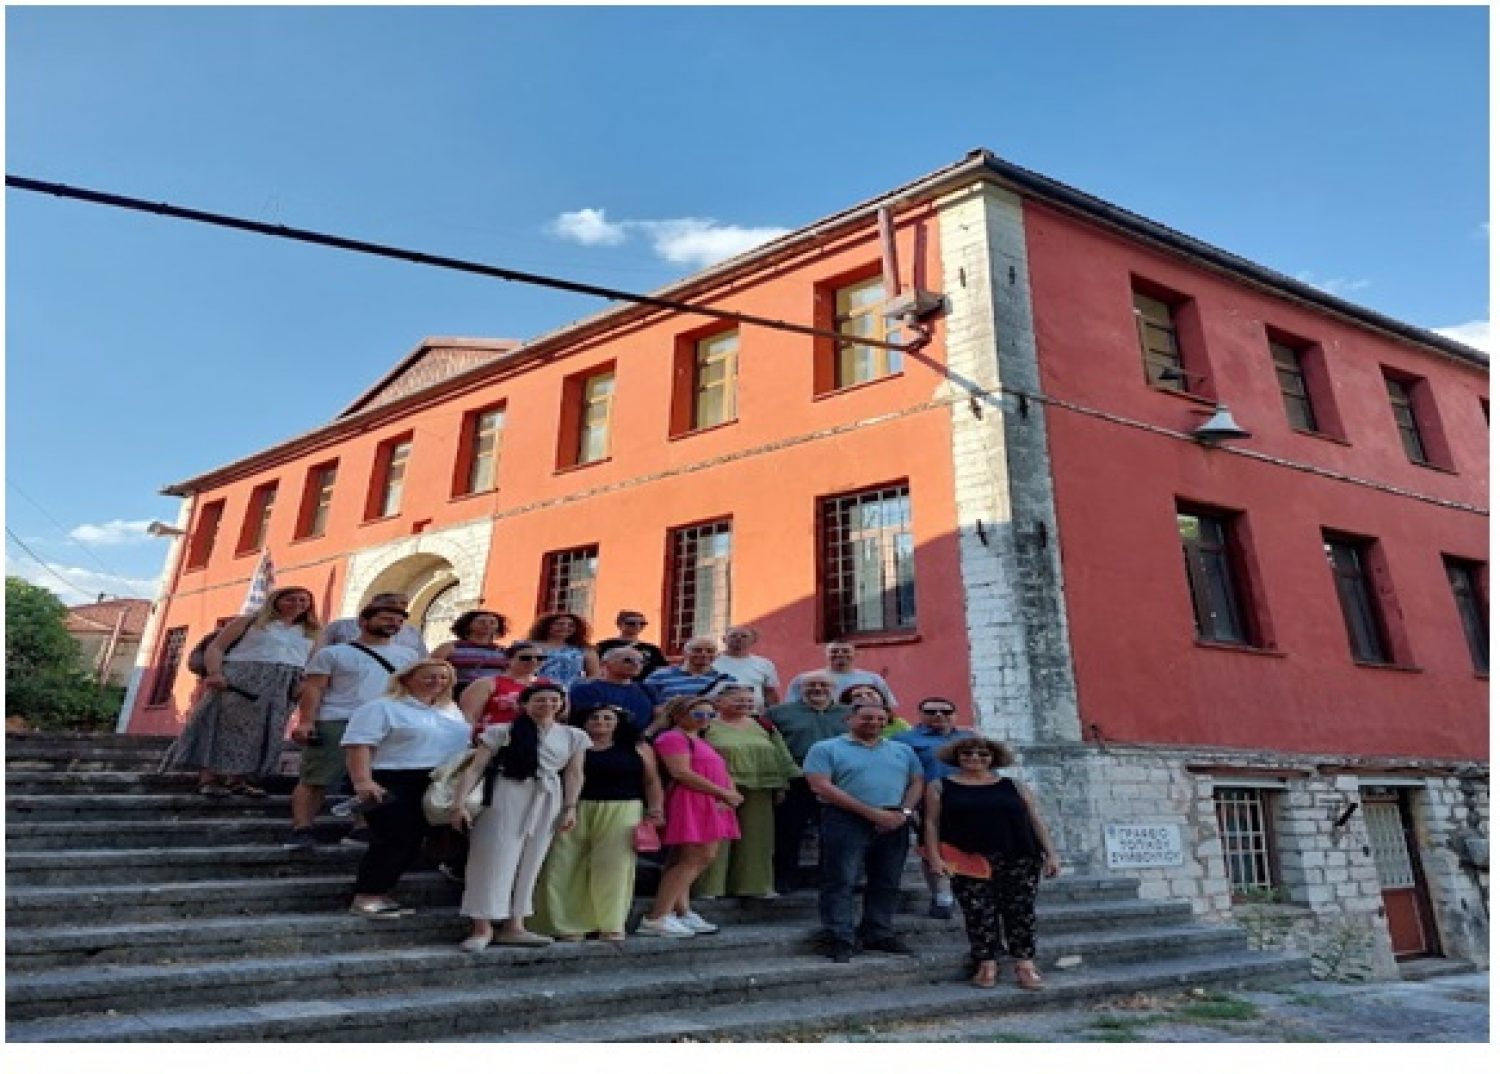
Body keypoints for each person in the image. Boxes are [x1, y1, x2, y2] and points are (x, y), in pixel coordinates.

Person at [450, 683, 589, 950]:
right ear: (524, 704)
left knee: (532, 861)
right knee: (492, 858)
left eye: (554, 700)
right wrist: (459, 804)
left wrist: (570, 807)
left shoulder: (573, 736)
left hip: (548, 795)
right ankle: (482, 926)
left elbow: (574, 773)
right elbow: (475, 768)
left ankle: (516, 924)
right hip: (506, 792)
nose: (547, 705)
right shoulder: (501, 731)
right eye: (540, 700)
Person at [922, 736, 1061, 990]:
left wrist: (1051, 854)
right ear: (957, 757)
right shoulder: (939, 786)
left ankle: (1025, 965)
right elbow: (931, 824)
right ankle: (986, 964)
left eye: (982, 753)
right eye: (967, 753)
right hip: (968, 859)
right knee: (978, 912)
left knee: (1020, 911)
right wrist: (934, 857)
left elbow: (1035, 819)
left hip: (1019, 855)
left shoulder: (1014, 785)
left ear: (993, 758)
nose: (975, 758)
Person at [340, 659, 471, 918]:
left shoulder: (450, 710)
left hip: (439, 779)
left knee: (421, 842)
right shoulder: (382, 707)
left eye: (443, 677)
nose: (437, 682)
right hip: (394, 778)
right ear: (407, 679)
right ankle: (367, 896)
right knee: (395, 839)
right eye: (429, 676)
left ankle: (383, 893)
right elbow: (359, 745)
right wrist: (363, 781)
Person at [285, 604, 421, 850]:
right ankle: (301, 828)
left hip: (385, 723)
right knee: (316, 777)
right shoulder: (332, 653)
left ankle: (362, 827)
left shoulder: (409, 656)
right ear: (363, 622)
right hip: (338, 719)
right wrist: (306, 721)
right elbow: (314, 689)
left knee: (372, 778)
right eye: (386, 618)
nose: (394, 623)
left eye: (399, 621)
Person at [164, 586, 320, 797]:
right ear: (275, 601)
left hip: (282, 687)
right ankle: (209, 778)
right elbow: (217, 647)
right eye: (290, 599)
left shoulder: (310, 632)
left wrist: (302, 685)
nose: (297, 604)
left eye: (303, 600)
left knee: (261, 733)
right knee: (225, 728)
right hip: (242, 680)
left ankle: (238, 779)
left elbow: (312, 663)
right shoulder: (250, 622)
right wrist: (215, 673)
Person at [531, 705, 665, 941]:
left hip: (623, 809)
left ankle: (611, 924)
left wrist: (655, 809)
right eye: (594, 717)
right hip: (574, 807)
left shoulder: (638, 747)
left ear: (618, 722)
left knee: (615, 867)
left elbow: (651, 781)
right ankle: (566, 925)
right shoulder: (572, 742)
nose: (601, 721)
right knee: (563, 863)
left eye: (608, 718)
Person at [803, 702, 924, 963]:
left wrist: (903, 813)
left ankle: (878, 932)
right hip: (845, 819)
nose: (874, 723)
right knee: (841, 879)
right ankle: (839, 936)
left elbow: (917, 782)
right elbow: (821, 786)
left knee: (887, 880)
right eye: (867, 717)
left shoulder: (902, 750)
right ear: (849, 719)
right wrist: (871, 813)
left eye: (880, 718)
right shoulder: (825, 748)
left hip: (894, 819)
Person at [637, 696, 742, 937]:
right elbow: (681, 772)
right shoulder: (673, 738)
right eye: (698, 714)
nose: (705, 719)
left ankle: (681, 910)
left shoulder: (699, 739)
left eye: (710, 715)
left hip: (709, 801)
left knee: (684, 859)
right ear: (678, 715)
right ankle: (658, 915)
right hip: (691, 800)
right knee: (698, 856)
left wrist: (729, 793)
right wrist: (722, 792)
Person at [696, 684, 800, 899]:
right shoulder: (706, 725)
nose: (745, 704)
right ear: (718, 703)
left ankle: (755, 886)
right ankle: (709, 887)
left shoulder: (764, 725)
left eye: (749, 701)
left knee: (758, 837)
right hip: (718, 787)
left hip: (761, 785)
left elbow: (781, 754)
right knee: (717, 836)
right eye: (738, 700)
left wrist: (784, 783)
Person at [765, 672, 850, 893]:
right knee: (788, 831)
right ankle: (785, 877)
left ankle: (831, 878)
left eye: (824, 684)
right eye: (811, 685)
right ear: (800, 689)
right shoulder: (779, 713)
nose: (817, 689)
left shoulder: (849, 713)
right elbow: (769, 746)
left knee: (835, 831)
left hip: (839, 781)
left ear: (834, 688)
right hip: (796, 779)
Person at [893, 697, 976, 919]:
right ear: (920, 715)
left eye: (945, 711)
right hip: (927, 803)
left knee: (969, 847)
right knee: (932, 849)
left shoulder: (969, 738)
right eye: (931, 712)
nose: (939, 715)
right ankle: (942, 896)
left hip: (970, 801)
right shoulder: (904, 740)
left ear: (954, 715)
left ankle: (966, 891)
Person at [457, 640, 554, 733]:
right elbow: (469, 716)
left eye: (540, 658)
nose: (533, 661)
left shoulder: (548, 685)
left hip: (538, 737)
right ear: (508, 660)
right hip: (492, 738)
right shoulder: (487, 683)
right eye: (525, 658)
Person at [567, 646, 655, 732]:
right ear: (604, 663)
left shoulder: (646, 689)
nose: (636, 664)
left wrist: (647, 734)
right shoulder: (586, 689)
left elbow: (659, 714)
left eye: (641, 661)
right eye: (627, 660)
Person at [785, 641, 898, 708]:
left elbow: (887, 706)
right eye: (834, 651)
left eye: (845, 651)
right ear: (826, 654)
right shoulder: (805, 679)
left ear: (856, 654)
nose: (840, 654)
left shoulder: (873, 679)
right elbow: (791, 707)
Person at [318, 591, 429, 657]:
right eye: (391, 603)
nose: (398, 606)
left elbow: (422, 659)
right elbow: (318, 654)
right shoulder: (340, 626)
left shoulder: (412, 632)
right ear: (373, 604)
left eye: (403, 603)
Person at [430, 609, 510, 700]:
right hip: (456, 693)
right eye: (481, 622)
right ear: (468, 625)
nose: (487, 625)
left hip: (492, 695)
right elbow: (430, 670)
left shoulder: (503, 652)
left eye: (492, 623)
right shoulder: (449, 647)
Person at [643, 636, 732, 716]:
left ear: (717, 655)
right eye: (697, 650)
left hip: (710, 727)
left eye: (710, 651)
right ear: (685, 652)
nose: (704, 654)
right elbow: (644, 702)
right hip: (671, 726)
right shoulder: (659, 676)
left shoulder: (726, 680)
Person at [711, 625, 781, 710]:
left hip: (754, 715)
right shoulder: (711, 661)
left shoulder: (765, 664)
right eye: (733, 635)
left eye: (744, 636)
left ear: (753, 640)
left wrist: (773, 712)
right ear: (724, 639)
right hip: (716, 713)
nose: (738, 638)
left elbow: (769, 693)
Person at [527, 612, 601, 688]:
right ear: (547, 626)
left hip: (571, 691)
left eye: (571, 625)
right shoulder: (529, 646)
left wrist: (579, 687)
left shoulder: (584, 649)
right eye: (560, 624)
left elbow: (594, 675)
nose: (565, 627)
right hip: (537, 690)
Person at [595, 609, 668, 681]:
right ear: (619, 624)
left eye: (642, 624)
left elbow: (662, 670)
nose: (637, 626)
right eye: (631, 623)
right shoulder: (604, 646)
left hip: (644, 685)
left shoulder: (653, 649)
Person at [839, 684, 911, 737]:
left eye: (869, 694)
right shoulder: (841, 725)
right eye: (857, 696)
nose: (864, 697)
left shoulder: (899, 724)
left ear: (881, 698)